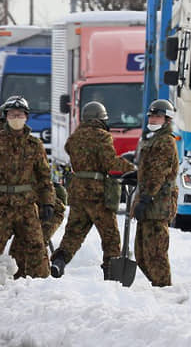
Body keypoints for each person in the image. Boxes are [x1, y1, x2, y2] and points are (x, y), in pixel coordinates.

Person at [0, 95, 53, 279]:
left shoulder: (35, 145)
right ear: (6, 117)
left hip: (26, 206)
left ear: (26, 117)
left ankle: (41, 290)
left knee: (37, 249)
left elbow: (44, 177)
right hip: (0, 204)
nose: (17, 118)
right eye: (13, 115)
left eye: (20, 115)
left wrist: (48, 203)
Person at [50, 101, 136, 278]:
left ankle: (59, 261)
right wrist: (131, 168)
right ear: (101, 119)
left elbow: (70, 152)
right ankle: (112, 273)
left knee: (73, 233)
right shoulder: (102, 136)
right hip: (97, 194)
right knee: (110, 235)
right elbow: (109, 162)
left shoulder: (74, 139)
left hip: (77, 192)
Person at [131, 99, 179, 287]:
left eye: (157, 116)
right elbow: (150, 170)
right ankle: (158, 286)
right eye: (151, 115)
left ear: (167, 119)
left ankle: (164, 290)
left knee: (156, 254)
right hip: (148, 203)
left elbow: (158, 174)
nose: (152, 119)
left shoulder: (166, 142)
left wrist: (145, 198)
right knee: (142, 254)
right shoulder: (153, 140)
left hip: (157, 205)